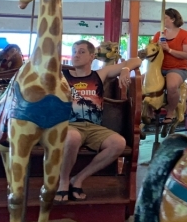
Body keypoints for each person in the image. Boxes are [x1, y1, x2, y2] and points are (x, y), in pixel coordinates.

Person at [59, 40, 141, 201]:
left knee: (118, 143)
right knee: (72, 137)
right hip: (69, 125)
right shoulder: (62, 76)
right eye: (74, 51)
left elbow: (136, 60)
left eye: (81, 51)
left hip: (94, 128)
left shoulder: (99, 75)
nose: (76, 54)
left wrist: (125, 69)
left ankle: (79, 179)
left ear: (92, 56)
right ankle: (63, 181)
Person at [152, 8, 187, 125]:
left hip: (177, 67)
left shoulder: (185, 34)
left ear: (173, 19)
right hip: (159, 67)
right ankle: (147, 110)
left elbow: (186, 54)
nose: (163, 20)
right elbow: (153, 50)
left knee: (172, 85)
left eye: (165, 18)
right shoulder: (159, 34)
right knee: (141, 82)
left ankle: (170, 112)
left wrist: (168, 49)